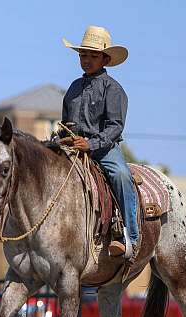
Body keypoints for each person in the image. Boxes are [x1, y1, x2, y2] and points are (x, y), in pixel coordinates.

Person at [57, 26, 138, 259]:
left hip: (103, 150)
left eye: (93, 56)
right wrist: (63, 139)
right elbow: (65, 122)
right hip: (72, 147)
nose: (87, 60)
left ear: (105, 59)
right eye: (83, 55)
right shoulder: (73, 88)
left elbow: (115, 126)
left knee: (121, 176)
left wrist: (90, 145)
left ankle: (129, 236)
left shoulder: (113, 89)